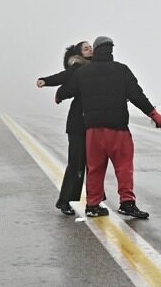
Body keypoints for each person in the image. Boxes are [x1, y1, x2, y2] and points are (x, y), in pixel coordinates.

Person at [56, 36, 161, 219]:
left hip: (93, 132)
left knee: (95, 169)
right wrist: (153, 114)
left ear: (96, 50)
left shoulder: (84, 72)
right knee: (124, 168)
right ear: (111, 50)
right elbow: (137, 95)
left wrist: (59, 95)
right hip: (119, 130)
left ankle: (93, 205)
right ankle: (127, 203)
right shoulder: (121, 70)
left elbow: (66, 90)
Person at [36, 40, 93, 215]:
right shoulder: (76, 68)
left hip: (93, 124)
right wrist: (45, 81)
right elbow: (61, 77)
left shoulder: (98, 67)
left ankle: (94, 202)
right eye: (86, 48)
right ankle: (64, 200)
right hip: (77, 124)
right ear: (79, 54)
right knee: (76, 164)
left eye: (90, 47)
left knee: (94, 165)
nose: (90, 49)